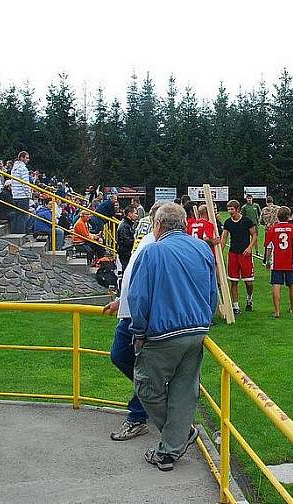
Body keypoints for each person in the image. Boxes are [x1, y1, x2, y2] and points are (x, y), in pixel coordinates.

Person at [128, 203, 216, 472]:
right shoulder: (202, 248)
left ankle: (176, 440)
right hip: (197, 332)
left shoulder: (152, 252)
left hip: (163, 336)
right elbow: (213, 292)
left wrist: (139, 332)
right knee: (183, 392)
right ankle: (169, 450)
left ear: (158, 226)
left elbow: (138, 298)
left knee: (145, 387)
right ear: (185, 224)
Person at [101, 201, 168, 443]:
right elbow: (133, 276)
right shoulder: (149, 240)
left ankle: (138, 415)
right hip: (130, 311)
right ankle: (154, 396)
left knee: (139, 366)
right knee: (121, 357)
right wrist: (121, 300)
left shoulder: (159, 245)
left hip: (139, 315)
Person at [264, 207, 293, 318]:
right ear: (289, 216)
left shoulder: (273, 229)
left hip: (276, 262)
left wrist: (267, 261)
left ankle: (277, 311)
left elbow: (268, 247)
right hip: (290, 262)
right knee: (291, 284)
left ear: (277, 216)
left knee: (276, 285)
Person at [220, 199, 258, 314]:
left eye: (232, 209)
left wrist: (250, 247)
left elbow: (254, 235)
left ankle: (249, 299)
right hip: (233, 254)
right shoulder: (227, 222)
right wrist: (220, 253)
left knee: (248, 282)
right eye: (228, 209)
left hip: (245, 254)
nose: (230, 211)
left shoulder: (247, 221)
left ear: (237, 209)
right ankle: (235, 306)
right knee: (234, 281)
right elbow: (224, 238)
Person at [10, 151, 32, 233]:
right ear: (21, 158)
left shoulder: (14, 168)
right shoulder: (23, 168)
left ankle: (14, 233)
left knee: (16, 216)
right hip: (22, 196)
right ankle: (21, 234)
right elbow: (25, 183)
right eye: (26, 158)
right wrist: (29, 194)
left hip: (15, 195)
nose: (28, 159)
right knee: (23, 217)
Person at [115, 205, 139, 271]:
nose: (136, 215)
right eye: (135, 213)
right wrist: (137, 241)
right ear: (129, 214)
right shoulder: (124, 226)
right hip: (125, 253)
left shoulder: (128, 224)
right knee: (127, 270)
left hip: (126, 252)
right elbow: (127, 241)